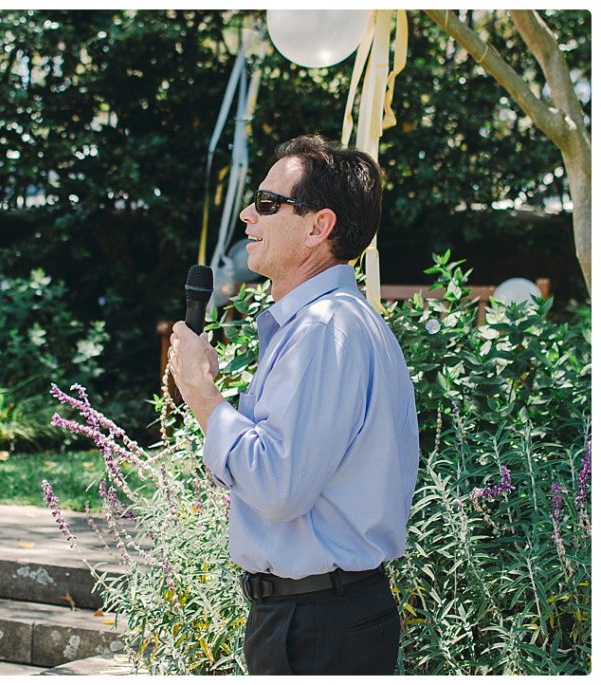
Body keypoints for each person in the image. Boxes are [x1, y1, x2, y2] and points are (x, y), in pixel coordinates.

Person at [169, 135, 419, 675]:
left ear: (316, 227)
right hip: (317, 617)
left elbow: (277, 487)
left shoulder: (325, 329)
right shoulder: (324, 324)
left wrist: (203, 394)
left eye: (266, 203)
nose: (246, 215)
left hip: (318, 626)